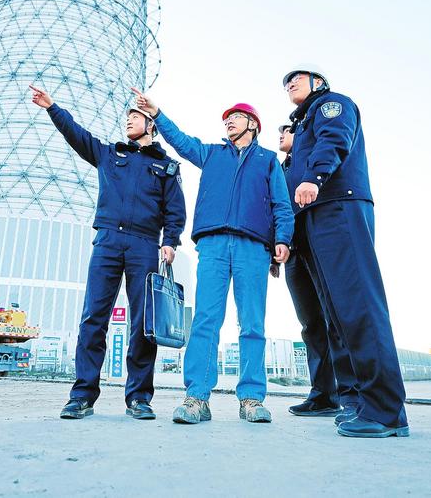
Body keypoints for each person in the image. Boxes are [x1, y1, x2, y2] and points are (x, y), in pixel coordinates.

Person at [131, 87, 293, 424]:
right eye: (227, 119)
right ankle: (197, 398)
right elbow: (181, 141)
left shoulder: (268, 161)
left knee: (252, 323)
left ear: (253, 124)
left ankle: (251, 399)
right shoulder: (212, 154)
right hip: (214, 245)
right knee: (205, 319)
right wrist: (158, 114)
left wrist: (283, 238)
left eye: (236, 117)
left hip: (253, 247)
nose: (229, 122)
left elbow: (281, 204)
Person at [30, 84, 187, 421]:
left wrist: (170, 241)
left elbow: (175, 211)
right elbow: (77, 135)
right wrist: (52, 107)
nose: (128, 120)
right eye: (127, 117)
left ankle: (139, 398)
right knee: (93, 318)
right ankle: (82, 396)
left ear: (151, 125)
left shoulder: (167, 167)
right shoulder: (109, 154)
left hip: (145, 245)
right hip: (107, 242)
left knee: (143, 323)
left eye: (136, 116)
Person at [281, 66, 409, 438]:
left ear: (318, 82)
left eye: (297, 77)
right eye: (286, 82)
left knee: (359, 306)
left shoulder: (331, 105)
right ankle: (356, 403)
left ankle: (386, 412)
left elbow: (335, 139)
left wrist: (314, 176)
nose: (289, 83)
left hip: (337, 206)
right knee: (337, 316)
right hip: (314, 216)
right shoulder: (303, 124)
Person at [276, 123, 359, 418]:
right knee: (310, 324)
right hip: (294, 251)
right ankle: (323, 395)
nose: (281, 134)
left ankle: (353, 395)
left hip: (320, 242)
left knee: (336, 318)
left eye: (287, 130)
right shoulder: (280, 170)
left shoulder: (312, 163)